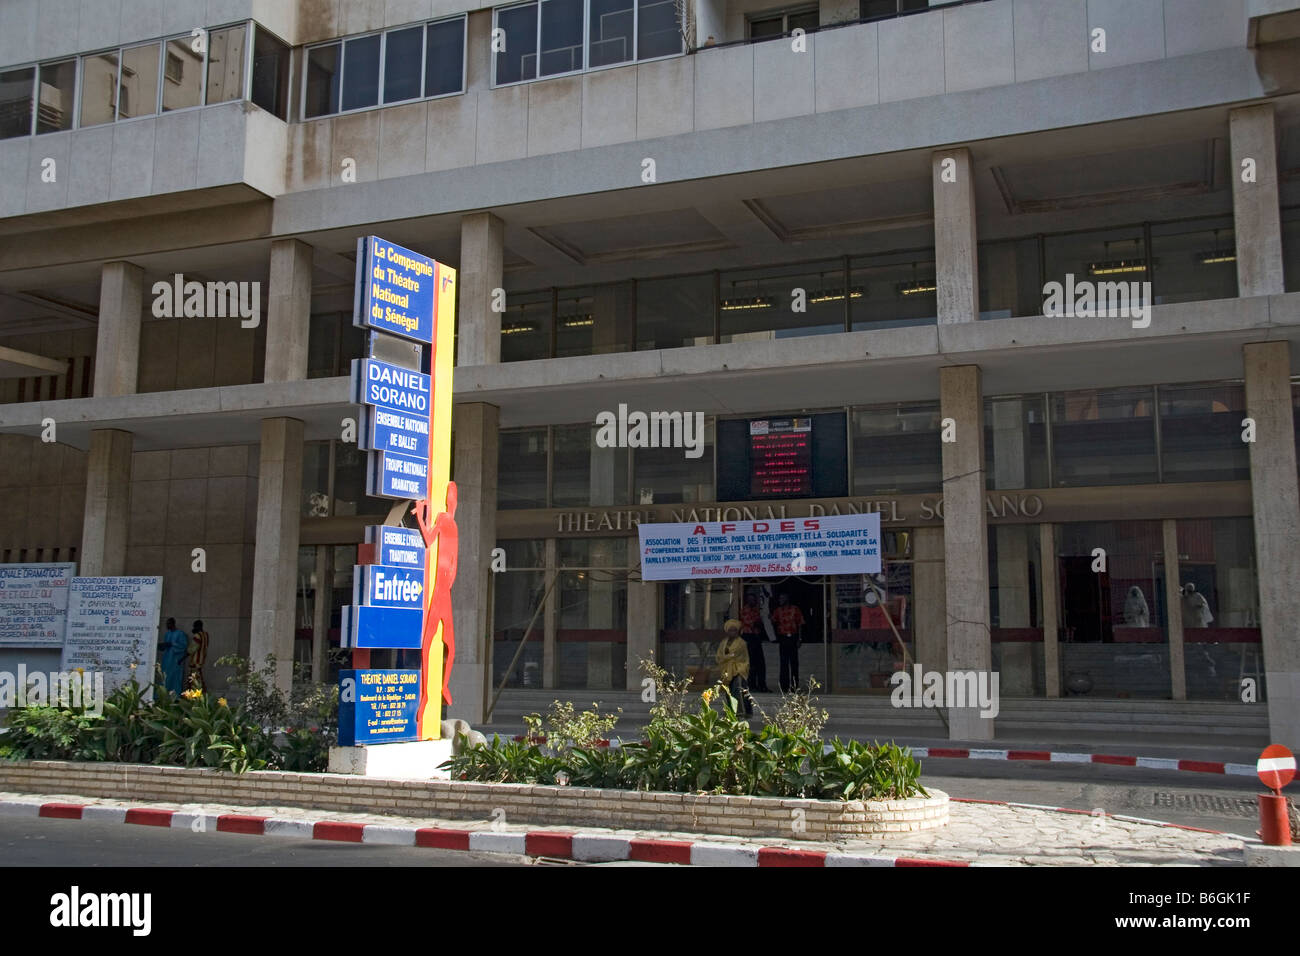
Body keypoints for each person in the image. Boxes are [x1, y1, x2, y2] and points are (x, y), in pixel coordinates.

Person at [715, 619, 753, 717]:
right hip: (727, 670)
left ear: (738, 631)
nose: (732, 632)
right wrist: (727, 657)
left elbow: (737, 656)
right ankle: (731, 711)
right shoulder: (723, 643)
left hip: (739, 669)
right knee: (729, 692)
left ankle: (741, 711)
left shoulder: (742, 643)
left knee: (738, 689)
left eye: (734, 630)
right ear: (727, 631)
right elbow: (719, 656)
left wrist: (727, 657)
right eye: (730, 630)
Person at [772, 593, 805, 693]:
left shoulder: (795, 609)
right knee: (784, 663)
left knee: (794, 663)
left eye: (782, 598)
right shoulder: (778, 610)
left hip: (793, 637)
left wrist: (800, 639)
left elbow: (800, 624)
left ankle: (795, 687)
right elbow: (773, 621)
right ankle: (784, 687)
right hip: (783, 638)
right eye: (779, 598)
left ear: (787, 598)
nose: (780, 600)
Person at [739, 594, 769, 692]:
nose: (752, 601)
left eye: (753, 599)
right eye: (750, 599)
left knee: (760, 663)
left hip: (756, 637)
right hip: (748, 637)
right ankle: (752, 685)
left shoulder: (756, 610)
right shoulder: (745, 610)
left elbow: (759, 623)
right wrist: (757, 624)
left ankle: (762, 685)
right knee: (751, 663)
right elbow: (752, 623)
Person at [157, 618, 189, 696]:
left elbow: (183, 646)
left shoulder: (180, 634)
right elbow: (166, 645)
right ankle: (163, 695)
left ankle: (175, 696)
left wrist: (172, 644)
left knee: (175, 679)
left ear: (173, 624)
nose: (167, 626)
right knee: (165, 677)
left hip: (175, 661)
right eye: (167, 624)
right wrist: (162, 646)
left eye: (169, 624)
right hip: (166, 660)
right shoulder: (167, 634)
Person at [188, 620, 210, 691]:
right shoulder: (206, 634)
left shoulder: (197, 636)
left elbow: (192, 649)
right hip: (201, 660)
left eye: (194, 626)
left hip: (195, 661)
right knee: (198, 678)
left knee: (194, 681)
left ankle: (196, 696)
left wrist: (182, 658)